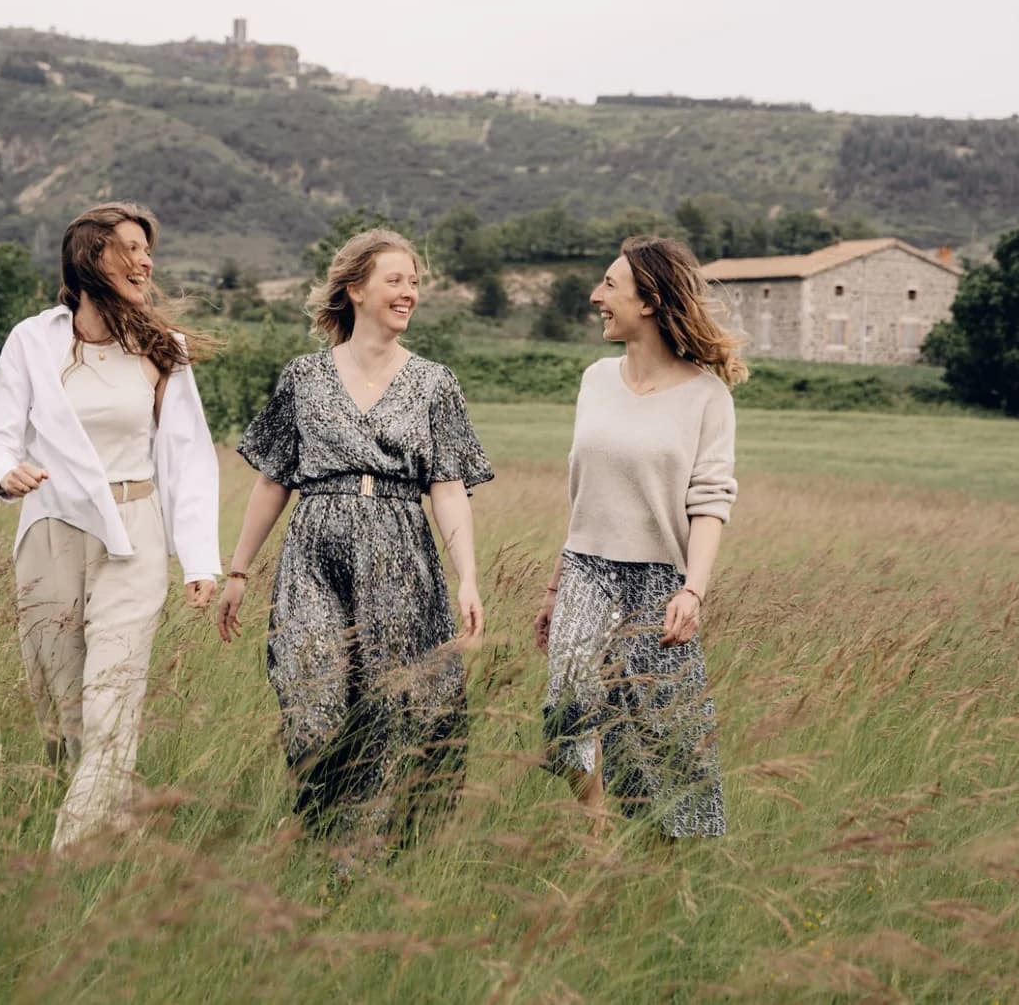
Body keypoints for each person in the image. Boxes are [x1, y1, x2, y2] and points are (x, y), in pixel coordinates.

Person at [217, 228, 493, 863]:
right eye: (396, 280)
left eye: (415, 283)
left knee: (393, 709)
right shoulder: (304, 377)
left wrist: (468, 577)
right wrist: (238, 570)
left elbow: (448, 489)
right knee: (312, 703)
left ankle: (372, 858)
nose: (409, 293)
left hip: (402, 553)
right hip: (314, 552)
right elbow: (271, 479)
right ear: (355, 288)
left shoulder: (434, 383)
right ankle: (324, 836)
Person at [0, 202, 221, 851]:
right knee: (62, 710)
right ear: (91, 257)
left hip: (133, 535)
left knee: (113, 698)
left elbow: (189, 456)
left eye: (147, 249)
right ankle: (120, 835)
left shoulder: (164, 350)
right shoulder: (34, 340)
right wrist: (6, 473)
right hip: (51, 527)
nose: (146, 261)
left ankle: (66, 858)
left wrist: (198, 559)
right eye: (131, 248)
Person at [533, 235, 744, 838]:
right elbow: (583, 496)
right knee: (568, 706)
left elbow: (710, 501)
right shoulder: (595, 379)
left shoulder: (707, 396)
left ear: (649, 301)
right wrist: (554, 588)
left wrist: (693, 591)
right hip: (585, 569)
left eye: (610, 286)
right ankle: (595, 833)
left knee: (660, 737)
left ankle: (655, 863)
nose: (596, 296)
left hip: (660, 581)